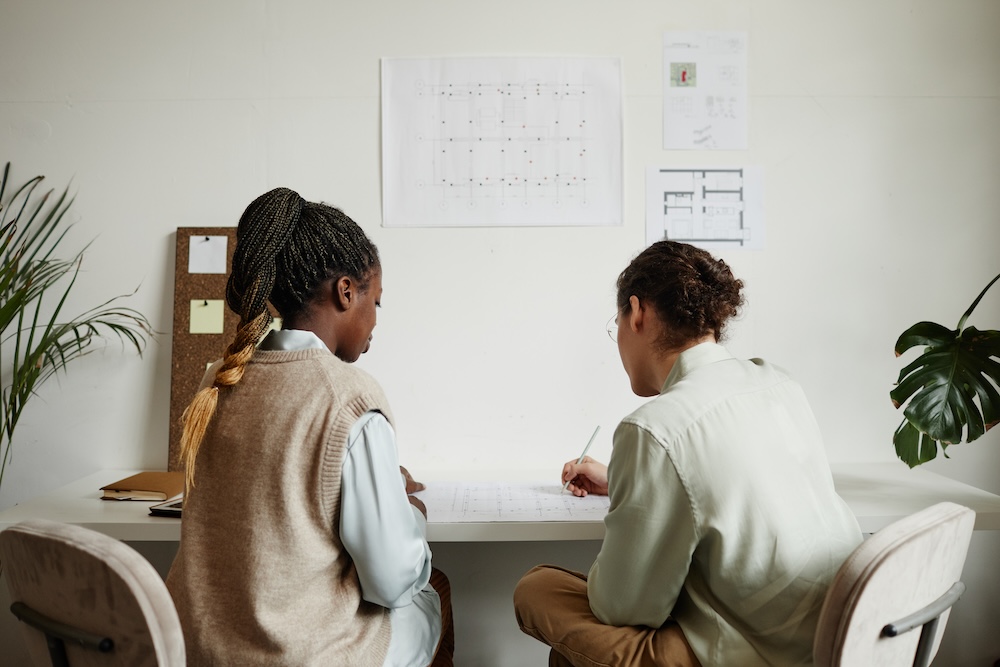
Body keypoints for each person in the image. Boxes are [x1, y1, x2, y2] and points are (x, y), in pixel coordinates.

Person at [513, 241, 862, 667]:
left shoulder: (655, 427)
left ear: (637, 313)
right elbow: (732, 484)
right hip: (836, 634)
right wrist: (626, 479)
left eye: (617, 323)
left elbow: (624, 609)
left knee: (536, 589)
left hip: (751, 652)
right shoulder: (777, 382)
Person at [166, 188, 454, 666]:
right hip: (298, 656)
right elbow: (392, 580)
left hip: (201, 651)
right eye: (376, 302)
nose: (376, 321)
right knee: (433, 589)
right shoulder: (350, 396)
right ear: (346, 292)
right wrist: (408, 509)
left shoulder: (215, 380)